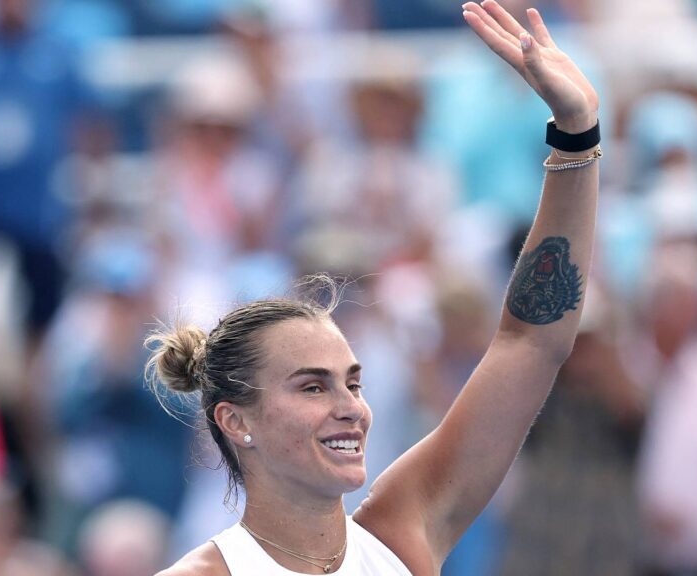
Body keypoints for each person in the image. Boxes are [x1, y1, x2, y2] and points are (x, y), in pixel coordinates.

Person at [148, 2, 601, 574]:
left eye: (353, 383)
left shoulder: (401, 533)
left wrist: (576, 138)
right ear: (237, 421)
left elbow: (529, 344)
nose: (351, 410)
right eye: (313, 387)